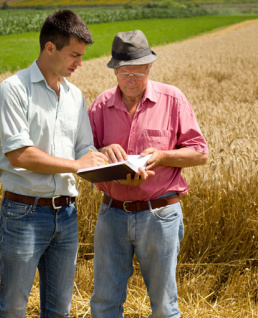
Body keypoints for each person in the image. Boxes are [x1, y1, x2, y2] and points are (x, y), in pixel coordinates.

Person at [0, 9, 108, 317]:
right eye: (74, 55)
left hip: (67, 215)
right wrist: (77, 165)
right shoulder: (13, 90)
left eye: (81, 56)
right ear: (49, 48)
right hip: (24, 214)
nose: (79, 63)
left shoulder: (75, 96)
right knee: (12, 309)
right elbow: (20, 155)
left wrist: (110, 163)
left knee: (59, 312)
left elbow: (84, 148)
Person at [87, 30, 209, 317]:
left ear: (150, 68)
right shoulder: (101, 104)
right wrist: (104, 152)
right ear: (115, 70)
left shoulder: (173, 99)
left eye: (138, 74)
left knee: (164, 307)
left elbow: (200, 153)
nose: (131, 80)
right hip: (112, 214)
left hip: (160, 214)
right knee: (104, 303)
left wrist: (163, 155)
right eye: (124, 73)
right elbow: (83, 152)